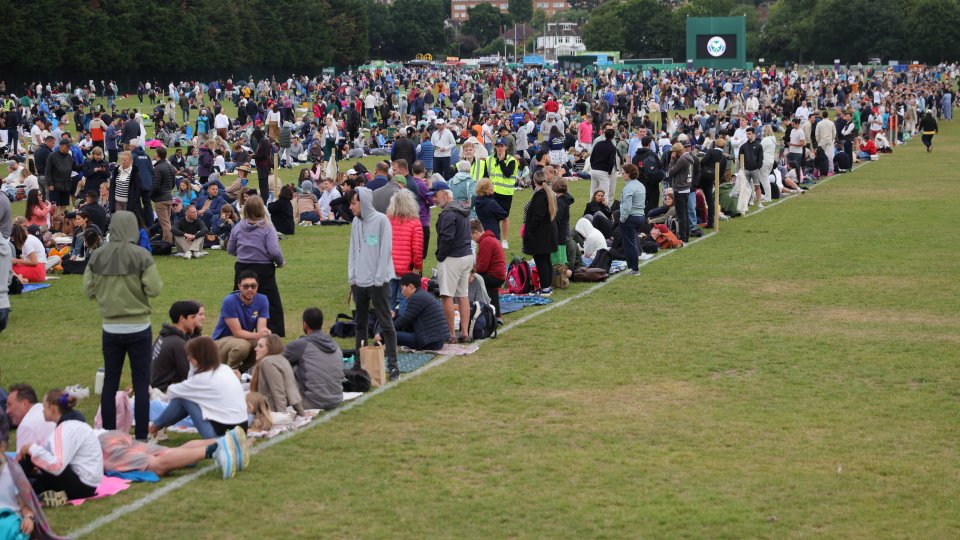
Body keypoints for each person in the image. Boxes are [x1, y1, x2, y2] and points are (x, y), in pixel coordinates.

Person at [83, 211, 161, 441]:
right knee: (141, 381)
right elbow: (155, 289)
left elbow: (88, 290)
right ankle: (142, 437)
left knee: (110, 381)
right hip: (138, 327)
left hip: (111, 328)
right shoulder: (141, 255)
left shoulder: (98, 256)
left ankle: (108, 434)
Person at [150, 337, 249, 442]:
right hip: (241, 430)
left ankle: (153, 428)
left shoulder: (202, 379)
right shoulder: (225, 369)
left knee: (184, 398)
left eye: (190, 355)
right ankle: (155, 427)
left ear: (198, 357)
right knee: (188, 396)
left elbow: (171, 391)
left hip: (221, 436)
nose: (188, 358)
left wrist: (192, 372)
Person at [347, 187, 399, 381]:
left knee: (386, 323)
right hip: (359, 282)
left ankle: (393, 365)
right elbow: (353, 249)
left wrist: (379, 279)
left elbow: (385, 251)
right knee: (360, 324)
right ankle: (359, 363)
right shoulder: (355, 222)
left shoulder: (381, 221)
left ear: (364, 202)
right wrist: (352, 276)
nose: (351, 207)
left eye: (354, 203)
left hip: (378, 282)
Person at [17, 390, 102, 503]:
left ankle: (13, 485)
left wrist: (31, 448)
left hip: (81, 486)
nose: (42, 411)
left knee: (30, 453)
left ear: (53, 408)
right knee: (36, 461)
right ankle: (29, 487)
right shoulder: (74, 424)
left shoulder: (65, 428)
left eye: (45, 407)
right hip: (88, 485)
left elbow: (57, 466)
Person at [227, 195, 285, 337]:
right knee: (271, 303)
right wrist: (280, 262)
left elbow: (230, 249)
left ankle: (238, 331)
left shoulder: (239, 227)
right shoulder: (267, 227)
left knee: (239, 301)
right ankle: (273, 334)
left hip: (242, 269)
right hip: (263, 270)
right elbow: (274, 250)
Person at [433, 183, 474, 342]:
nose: (434, 199)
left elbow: (447, 238)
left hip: (453, 258)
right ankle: (464, 333)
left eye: (436, 195)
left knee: (447, 296)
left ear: (445, 194)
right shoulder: (461, 208)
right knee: (463, 295)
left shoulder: (448, 213)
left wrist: (440, 256)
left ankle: (451, 335)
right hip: (466, 256)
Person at [282, 308, 344, 411]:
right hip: (336, 400)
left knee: (286, 367)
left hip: (312, 402)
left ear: (305, 324)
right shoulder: (335, 344)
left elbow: (277, 360)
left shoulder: (302, 345)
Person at [211, 271, 270, 371]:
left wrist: (265, 333)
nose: (250, 289)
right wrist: (258, 335)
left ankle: (243, 372)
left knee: (264, 344)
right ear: (239, 286)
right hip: (221, 341)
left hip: (244, 338)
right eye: (245, 286)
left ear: (258, 286)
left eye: (253, 286)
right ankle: (228, 373)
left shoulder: (262, 299)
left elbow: (261, 328)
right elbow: (237, 332)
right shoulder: (229, 301)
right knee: (243, 346)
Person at [250, 334, 306, 416]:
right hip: (271, 407)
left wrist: (282, 416)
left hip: (268, 411)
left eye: (260, 346)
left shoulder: (267, 362)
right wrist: (301, 412)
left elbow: (278, 392)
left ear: (270, 349)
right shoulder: (282, 359)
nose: (255, 349)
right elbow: (291, 389)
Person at [151, 300, 201, 392]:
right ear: (182, 318)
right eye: (193, 317)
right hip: (165, 392)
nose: (196, 321)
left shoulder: (164, 335)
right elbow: (188, 375)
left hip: (157, 386)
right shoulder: (178, 343)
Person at [522, 171, 559, 296]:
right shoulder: (547, 194)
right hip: (547, 232)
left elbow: (537, 216)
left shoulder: (540, 196)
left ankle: (545, 287)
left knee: (541, 260)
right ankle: (547, 285)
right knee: (546, 259)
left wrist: (529, 230)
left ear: (534, 180)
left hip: (541, 234)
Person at [392, 273, 449, 351]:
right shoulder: (421, 295)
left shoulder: (416, 298)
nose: (402, 292)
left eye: (402, 288)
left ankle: (380, 349)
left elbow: (405, 320)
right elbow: (408, 321)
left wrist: (383, 332)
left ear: (411, 286)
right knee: (393, 331)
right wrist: (395, 315)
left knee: (389, 334)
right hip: (436, 340)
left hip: (430, 342)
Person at [386, 190, 423, 310]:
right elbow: (417, 248)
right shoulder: (415, 223)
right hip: (406, 269)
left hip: (389, 266)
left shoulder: (387, 220)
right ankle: (403, 326)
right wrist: (417, 267)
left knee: (389, 300)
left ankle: (386, 326)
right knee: (405, 301)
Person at [471, 219, 506, 319]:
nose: (472, 239)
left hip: (495, 277)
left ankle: (477, 309)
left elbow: (482, 267)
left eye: (471, 236)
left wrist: (472, 271)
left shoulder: (486, 242)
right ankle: (495, 315)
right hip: (499, 275)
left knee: (472, 279)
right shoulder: (489, 239)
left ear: (476, 232)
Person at [487, 138, 517, 249]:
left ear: (506, 147)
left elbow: (508, 174)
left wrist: (501, 161)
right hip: (491, 193)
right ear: (495, 147)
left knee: (504, 217)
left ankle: (504, 240)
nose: (500, 148)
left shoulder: (511, 160)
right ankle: (494, 239)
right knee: (492, 217)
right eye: (498, 146)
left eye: (502, 146)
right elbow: (487, 175)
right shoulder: (489, 159)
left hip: (505, 193)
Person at [5, 385, 54, 450]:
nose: (7, 411)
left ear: (24, 404)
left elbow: (22, 459)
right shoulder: (43, 409)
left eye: (10, 405)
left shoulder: (26, 425)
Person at [619, 163, 647, 275]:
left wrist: (622, 219)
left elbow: (626, 206)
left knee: (630, 243)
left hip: (631, 217)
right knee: (632, 241)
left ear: (629, 174)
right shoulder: (640, 185)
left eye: (623, 173)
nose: (622, 175)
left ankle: (634, 268)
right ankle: (632, 266)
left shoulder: (628, 188)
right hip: (640, 216)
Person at [668, 143, 695, 242]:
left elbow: (671, 172)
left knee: (681, 215)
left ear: (677, 152)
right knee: (685, 213)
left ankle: (683, 237)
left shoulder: (682, 159)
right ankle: (686, 235)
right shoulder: (689, 157)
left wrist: (672, 160)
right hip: (686, 187)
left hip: (680, 188)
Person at [151, 146, 177, 244]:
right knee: (167, 222)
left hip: (161, 199)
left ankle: (167, 243)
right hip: (169, 197)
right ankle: (168, 241)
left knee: (165, 224)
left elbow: (156, 186)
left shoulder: (158, 168)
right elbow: (173, 184)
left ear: (157, 155)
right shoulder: (170, 166)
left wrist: (151, 196)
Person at [589, 128, 618, 207]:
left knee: (593, 192)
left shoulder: (598, 144)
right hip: (604, 171)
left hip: (594, 170)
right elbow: (611, 161)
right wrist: (609, 172)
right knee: (605, 193)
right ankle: (605, 211)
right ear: (613, 137)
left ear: (604, 135)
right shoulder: (612, 147)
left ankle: (590, 209)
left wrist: (593, 166)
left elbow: (592, 157)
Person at [109, 151, 142, 215]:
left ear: (131, 161)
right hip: (117, 201)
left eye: (125, 160)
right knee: (119, 221)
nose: (123, 161)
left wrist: (134, 199)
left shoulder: (134, 172)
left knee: (127, 222)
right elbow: (112, 185)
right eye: (122, 159)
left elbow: (138, 188)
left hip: (129, 203)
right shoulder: (117, 171)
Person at [739, 127, 765, 209]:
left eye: (749, 134)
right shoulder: (743, 146)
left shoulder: (758, 145)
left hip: (755, 169)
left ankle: (759, 202)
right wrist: (742, 167)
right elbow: (740, 157)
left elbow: (761, 157)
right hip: (746, 169)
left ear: (753, 134)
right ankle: (745, 203)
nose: (748, 135)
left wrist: (758, 167)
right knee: (745, 187)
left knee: (757, 186)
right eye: (747, 134)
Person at [44, 140, 74, 209]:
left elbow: (74, 166)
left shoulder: (69, 156)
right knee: (54, 206)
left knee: (64, 205)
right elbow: (48, 171)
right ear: (61, 146)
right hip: (55, 186)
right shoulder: (52, 155)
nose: (69, 148)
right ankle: (55, 219)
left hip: (66, 185)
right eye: (67, 146)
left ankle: (62, 218)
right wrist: (50, 184)